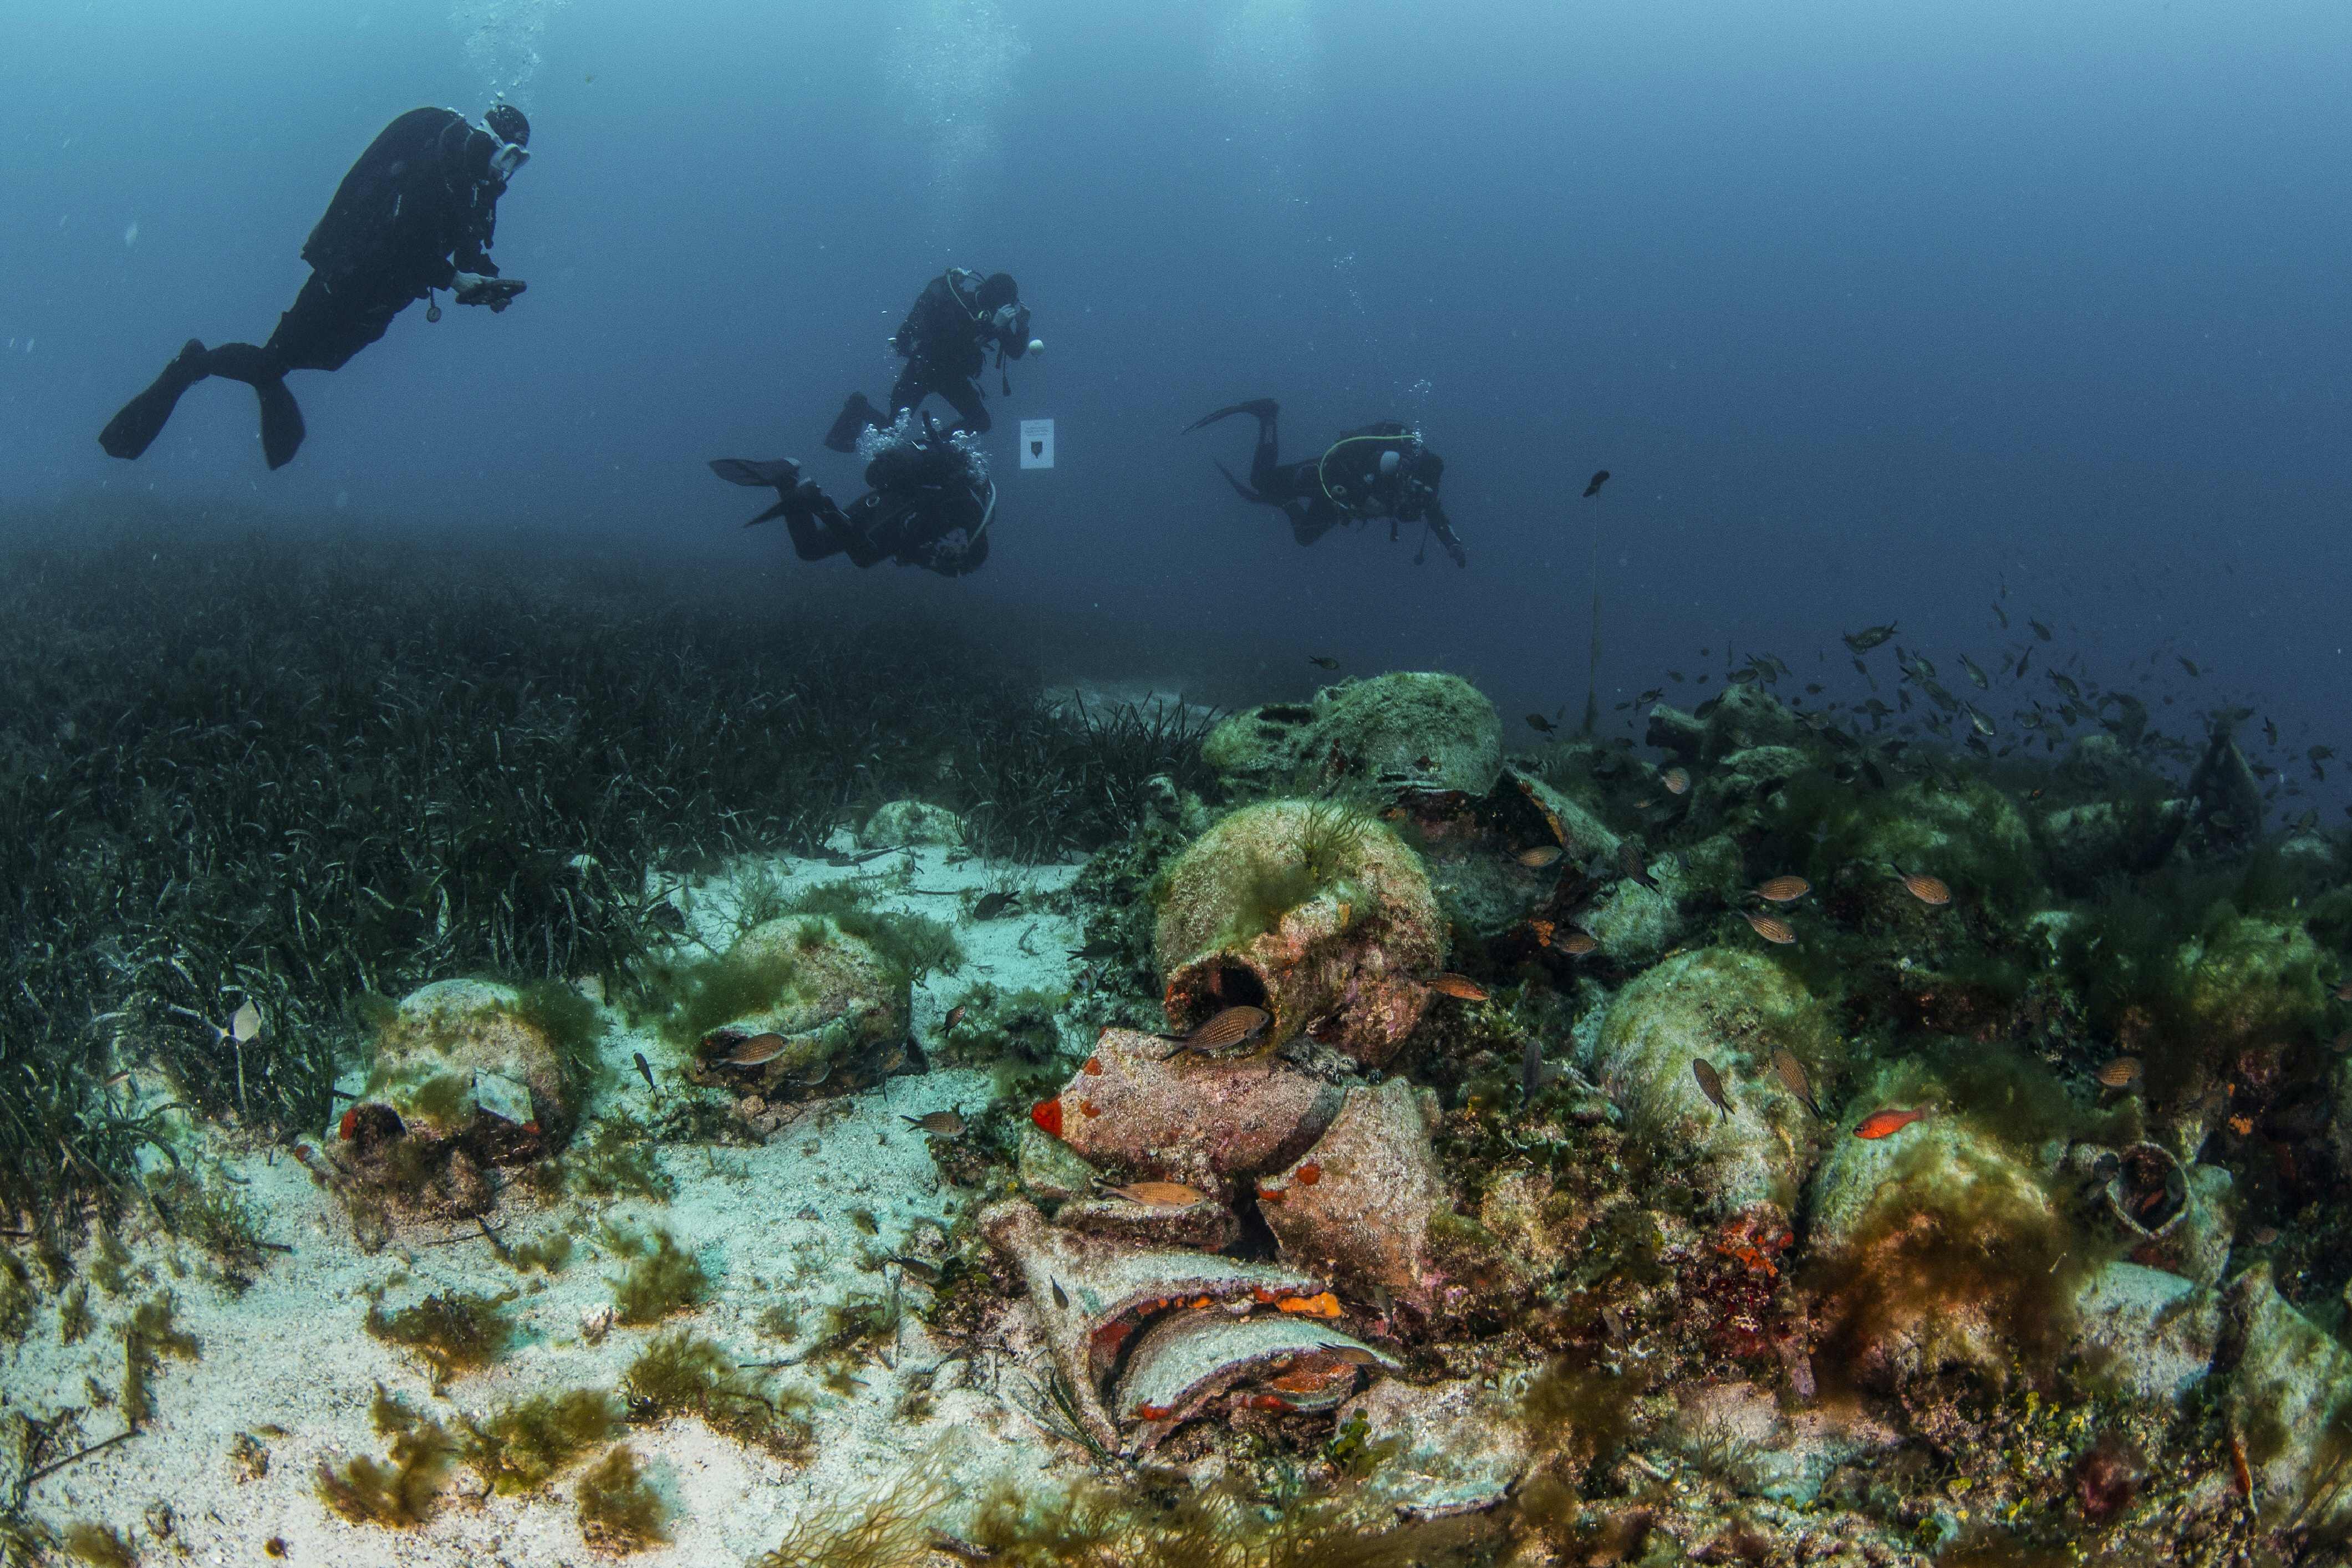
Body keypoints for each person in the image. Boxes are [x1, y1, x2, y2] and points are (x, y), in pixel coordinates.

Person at [99, 104, 533, 471]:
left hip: (388, 297)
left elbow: (470, 244)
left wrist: (484, 280)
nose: (508, 170)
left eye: (519, 162)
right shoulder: (431, 168)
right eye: (508, 156)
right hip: (347, 278)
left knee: (326, 361)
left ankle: (262, 377)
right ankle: (195, 365)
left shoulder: (480, 188)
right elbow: (398, 238)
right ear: (487, 141)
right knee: (276, 361)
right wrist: (454, 279)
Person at [1183, 398, 1466, 567]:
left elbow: (1437, 516)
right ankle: (1268, 415)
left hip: (1342, 502)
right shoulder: (1391, 463)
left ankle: (1285, 500)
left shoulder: (1422, 493)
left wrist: (1452, 544)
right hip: (1329, 475)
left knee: (1305, 537)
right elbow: (1341, 461)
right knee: (1261, 480)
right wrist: (1363, 496)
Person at [714, 411, 996, 578]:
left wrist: (921, 556)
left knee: (811, 549)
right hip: (898, 505)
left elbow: (918, 539)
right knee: (864, 556)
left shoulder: (962, 508)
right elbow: (921, 532)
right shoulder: (969, 512)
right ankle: (816, 500)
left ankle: (788, 481)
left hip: (887, 500)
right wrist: (932, 559)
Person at [825, 268, 1035, 451]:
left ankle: (925, 448)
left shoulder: (995, 316)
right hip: (923, 370)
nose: (1006, 308)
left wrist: (1022, 326)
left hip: (953, 377)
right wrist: (993, 326)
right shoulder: (958, 305)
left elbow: (1015, 353)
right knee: (892, 432)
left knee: (980, 422)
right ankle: (859, 407)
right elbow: (946, 347)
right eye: (1006, 302)